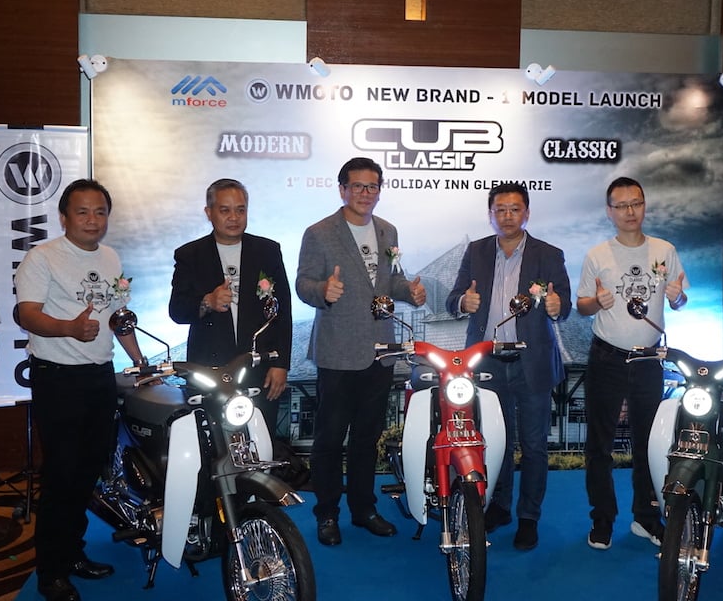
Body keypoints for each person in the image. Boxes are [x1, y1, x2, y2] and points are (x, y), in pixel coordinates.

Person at [14, 179, 145, 601]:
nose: (92, 220)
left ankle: (72, 552)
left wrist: (139, 361)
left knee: (88, 473)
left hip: (99, 377)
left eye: (100, 212)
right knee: (61, 476)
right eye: (83, 212)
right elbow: (27, 314)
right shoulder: (42, 257)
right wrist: (68, 328)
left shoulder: (110, 257)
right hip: (58, 379)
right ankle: (50, 572)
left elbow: (117, 317)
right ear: (64, 217)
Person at [295, 157, 427, 546]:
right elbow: (303, 283)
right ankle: (327, 513)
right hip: (338, 350)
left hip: (381, 351)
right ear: (342, 190)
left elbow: (392, 280)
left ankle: (364, 509)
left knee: (367, 437)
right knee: (330, 439)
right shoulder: (319, 233)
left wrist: (411, 292)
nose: (365, 194)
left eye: (372, 187)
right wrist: (323, 291)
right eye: (357, 186)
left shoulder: (387, 230)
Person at [444, 182, 571, 551]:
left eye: (515, 209)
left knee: (533, 445)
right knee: (494, 441)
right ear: (491, 214)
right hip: (487, 363)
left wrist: (556, 306)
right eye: (500, 209)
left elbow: (563, 304)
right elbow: (453, 298)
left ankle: (529, 516)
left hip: (532, 361)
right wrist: (462, 303)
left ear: (526, 213)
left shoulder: (549, 254)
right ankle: (499, 507)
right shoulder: (477, 251)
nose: (507, 216)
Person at [577, 177, 688, 551]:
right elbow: (581, 306)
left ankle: (646, 517)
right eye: (621, 205)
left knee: (649, 443)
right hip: (606, 356)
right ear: (609, 211)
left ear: (644, 206)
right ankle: (603, 519)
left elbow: (679, 300)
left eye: (636, 203)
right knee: (599, 445)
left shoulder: (664, 250)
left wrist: (678, 297)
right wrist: (597, 302)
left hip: (648, 358)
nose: (629, 211)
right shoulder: (597, 255)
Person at [168, 178, 292, 440]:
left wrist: (281, 364)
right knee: (212, 446)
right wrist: (207, 302)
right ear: (209, 212)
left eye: (240, 209)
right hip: (209, 372)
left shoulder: (267, 251)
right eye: (225, 210)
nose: (234, 217)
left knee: (261, 444)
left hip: (259, 368)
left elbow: (282, 311)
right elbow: (177, 310)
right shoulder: (190, 255)